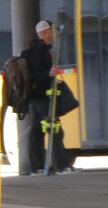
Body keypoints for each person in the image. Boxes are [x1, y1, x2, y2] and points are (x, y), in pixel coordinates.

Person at [21, 19, 77, 175]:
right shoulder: (40, 50)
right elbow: (34, 74)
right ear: (45, 32)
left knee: (38, 131)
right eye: (52, 31)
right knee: (54, 128)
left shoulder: (36, 48)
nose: (54, 34)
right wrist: (49, 73)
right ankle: (62, 166)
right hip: (42, 95)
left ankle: (37, 167)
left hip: (38, 95)